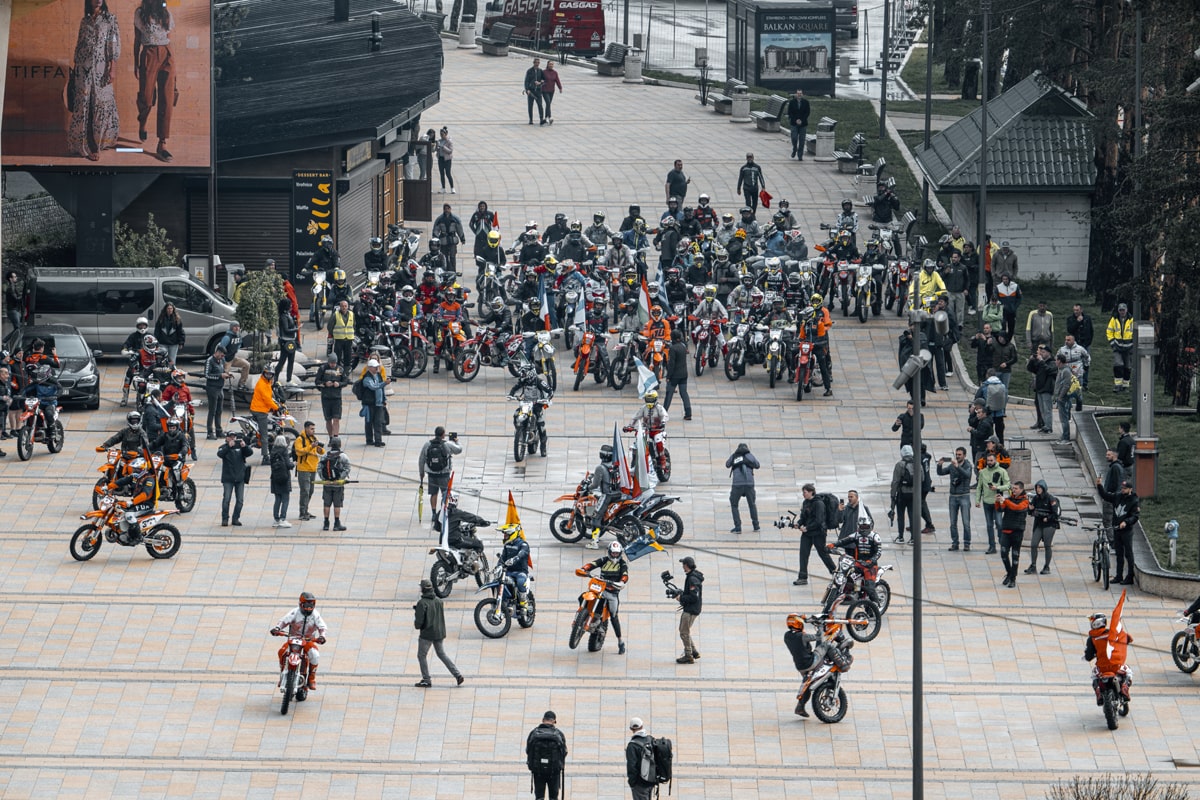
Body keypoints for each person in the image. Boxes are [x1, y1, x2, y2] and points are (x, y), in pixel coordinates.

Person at [68, 0, 121, 162]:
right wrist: (76, 67)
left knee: (100, 104)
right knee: (85, 104)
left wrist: (112, 68)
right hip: (83, 69)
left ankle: (98, 143)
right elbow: (79, 44)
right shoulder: (85, 20)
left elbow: (113, 44)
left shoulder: (110, 19)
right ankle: (88, 146)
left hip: (101, 68)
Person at [132, 0, 174, 161]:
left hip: (167, 54)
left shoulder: (165, 13)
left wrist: (170, 58)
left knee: (167, 99)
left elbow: (168, 37)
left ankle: (162, 143)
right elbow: (137, 40)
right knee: (146, 98)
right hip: (148, 53)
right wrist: (136, 63)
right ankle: (142, 121)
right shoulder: (140, 13)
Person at [578, 542, 630, 654]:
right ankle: (581, 617)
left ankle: (620, 641)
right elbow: (593, 564)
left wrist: (622, 582)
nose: (615, 555)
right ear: (609, 552)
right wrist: (585, 569)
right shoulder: (604, 560)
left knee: (614, 616)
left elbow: (625, 575)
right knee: (582, 597)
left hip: (612, 592)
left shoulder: (622, 564)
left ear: (620, 553)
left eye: (617, 553)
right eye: (613, 553)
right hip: (600, 588)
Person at [271, 592, 328, 691]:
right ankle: (282, 673)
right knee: (282, 652)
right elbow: (284, 621)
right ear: (301, 604)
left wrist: (322, 636)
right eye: (306, 605)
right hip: (293, 639)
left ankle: (311, 678)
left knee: (315, 655)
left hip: (308, 640)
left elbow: (322, 627)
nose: (308, 608)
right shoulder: (295, 612)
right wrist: (277, 628)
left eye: (311, 605)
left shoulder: (315, 615)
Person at [413, 577, 465, 687]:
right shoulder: (439, 601)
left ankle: (426, 679)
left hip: (427, 634)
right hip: (439, 633)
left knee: (421, 655)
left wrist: (417, 612)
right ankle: (457, 675)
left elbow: (418, 624)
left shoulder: (422, 603)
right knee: (442, 654)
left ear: (423, 589)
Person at [792, 483, 837, 585]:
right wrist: (798, 524)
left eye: (805, 492)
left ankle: (835, 572)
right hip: (807, 534)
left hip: (818, 533)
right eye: (803, 492)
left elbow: (819, 520)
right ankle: (802, 577)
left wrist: (807, 528)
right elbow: (803, 517)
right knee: (803, 554)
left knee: (823, 553)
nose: (803, 494)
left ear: (811, 492)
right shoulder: (805, 502)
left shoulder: (819, 504)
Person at [1085, 612, 1133, 706]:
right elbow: (1128, 638)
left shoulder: (1092, 638)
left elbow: (1088, 656)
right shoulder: (1114, 633)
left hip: (1102, 668)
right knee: (1129, 672)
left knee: (1094, 676)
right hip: (1117, 666)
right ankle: (1124, 686)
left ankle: (1098, 692)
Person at [1097, 480, 1139, 585]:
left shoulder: (1134, 501)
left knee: (1128, 554)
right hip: (1117, 529)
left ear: (1130, 489)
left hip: (1126, 531)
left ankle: (1130, 577)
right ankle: (1119, 576)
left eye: (1125, 488)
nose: (1123, 490)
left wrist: (1126, 522)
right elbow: (1105, 496)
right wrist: (1099, 485)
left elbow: (1135, 516)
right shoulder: (1118, 496)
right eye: (1122, 488)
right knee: (1119, 554)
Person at [419, 427, 463, 528]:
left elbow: (421, 459)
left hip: (431, 473)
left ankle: (434, 513)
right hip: (444, 473)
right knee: (445, 494)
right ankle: (443, 512)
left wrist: (421, 472)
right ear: (443, 435)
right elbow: (459, 450)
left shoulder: (427, 444)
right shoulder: (447, 444)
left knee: (433, 493)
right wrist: (456, 441)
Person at [507, 364, 553, 457]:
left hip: (537, 405)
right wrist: (511, 395)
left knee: (540, 424)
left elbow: (550, 391)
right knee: (516, 414)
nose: (522, 375)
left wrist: (547, 399)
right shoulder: (523, 381)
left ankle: (543, 447)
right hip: (525, 404)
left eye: (524, 373)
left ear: (530, 373)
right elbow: (515, 387)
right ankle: (519, 431)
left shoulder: (539, 381)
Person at [669, 555, 704, 664]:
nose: (682, 566)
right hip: (692, 608)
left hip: (691, 610)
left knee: (683, 632)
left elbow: (694, 597)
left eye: (683, 564)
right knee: (685, 631)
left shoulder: (692, 579)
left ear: (687, 565)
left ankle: (688, 655)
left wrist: (681, 598)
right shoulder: (692, 576)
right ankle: (694, 651)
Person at [526, 711, 568, 800]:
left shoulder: (534, 733)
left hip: (538, 771)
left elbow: (528, 750)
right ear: (554, 721)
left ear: (543, 720)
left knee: (539, 797)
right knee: (553, 797)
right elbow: (564, 752)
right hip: (554, 771)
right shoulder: (559, 734)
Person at [974, 452, 1011, 555]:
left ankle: (1002, 541)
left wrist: (997, 488)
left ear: (995, 460)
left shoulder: (1002, 471)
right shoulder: (983, 472)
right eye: (988, 460)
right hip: (986, 501)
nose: (989, 462)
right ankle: (992, 546)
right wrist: (977, 500)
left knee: (999, 523)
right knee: (989, 525)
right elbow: (979, 487)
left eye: (991, 460)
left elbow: (1008, 485)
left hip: (997, 501)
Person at [937, 447, 973, 551]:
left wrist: (958, 467)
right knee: (953, 523)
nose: (957, 456)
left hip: (964, 495)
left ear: (964, 455)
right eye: (956, 454)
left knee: (966, 522)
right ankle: (955, 543)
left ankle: (967, 543)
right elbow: (941, 472)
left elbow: (967, 475)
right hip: (953, 496)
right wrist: (939, 465)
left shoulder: (968, 465)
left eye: (960, 455)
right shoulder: (952, 466)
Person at [995, 482, 1030, 587]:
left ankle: (1013, 578)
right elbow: (1000, 509)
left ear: (1021, 489)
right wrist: (997, 502)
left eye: (1016, 488)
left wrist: (1005, 501)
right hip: (1006, 530)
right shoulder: (1009, 499)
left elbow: (1017, 508)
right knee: (1003, 554)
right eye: (1013, 488)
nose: (1014, 490)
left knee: (1015, 556)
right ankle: (1009, 573)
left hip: (1017, 532)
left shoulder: (1025, 501)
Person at [217, 431, 254, 527]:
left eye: (234, 437)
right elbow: (220, 454)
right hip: (228, 478)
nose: (232, 439)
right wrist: (228, 446)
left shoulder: (240, 447)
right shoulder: (224, 447)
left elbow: (250, 453)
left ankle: (235, 518)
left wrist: (244, 446)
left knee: (240, 500)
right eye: (230, 437)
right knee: (226, 499)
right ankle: (225, 518)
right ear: (227, 438)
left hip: (239, 478)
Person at [1024, 479, 1061, 575]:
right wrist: (1030, 509)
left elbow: (1056, 513)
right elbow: (1031, 512)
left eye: (1040, 487)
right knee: (1033, 544)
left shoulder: (1050, 499)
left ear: (1044, 488)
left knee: (1047, 545)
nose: (1038, 489)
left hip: (1049, 524)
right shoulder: (1036, 498)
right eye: (1037, 487)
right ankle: (1033, 565)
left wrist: (1048, 518)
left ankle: (1046, 566)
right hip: (1039, 524)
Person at [725, 442, 760, 534]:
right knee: (752, 504)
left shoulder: (734, 456)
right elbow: (757, 465)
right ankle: (756, 526)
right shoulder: (750, 456)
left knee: (734, 504)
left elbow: (727, 464)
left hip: (737, 485)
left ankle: (738, 527)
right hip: (749, 484)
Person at [293, 420, 323, 522]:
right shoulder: (299, 439)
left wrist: (319, 449)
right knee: (305, 491)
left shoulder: (314, 438)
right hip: (303, 468)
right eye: (311, 429)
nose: (313, 431)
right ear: (306, 428)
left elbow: (321, 451)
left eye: (314, 429)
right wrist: (311, 447)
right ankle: (302, 512)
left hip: (313, 468)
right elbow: (299, 452)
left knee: (310, 491)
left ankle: (306, 510)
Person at [318, 436, 351, 531]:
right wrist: (340, 478)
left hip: (327, 484)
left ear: (331, 445)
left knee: (326, 504)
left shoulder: (325, 455)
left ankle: (326, 523)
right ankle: (336, 523)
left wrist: (323, 478)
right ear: (340, 445)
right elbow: (347, 468)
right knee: (337, 504)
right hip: (338, 484)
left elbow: (319, 467)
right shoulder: (343, 456)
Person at [250, 365, 280, 464]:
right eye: (267, 374)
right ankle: (265, 457)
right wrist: (277, 407)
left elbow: (270, 396)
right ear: (263, 373)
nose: (269, 376)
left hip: (260, 408)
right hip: (260, 410)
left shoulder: (267, 382)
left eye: (270, 374)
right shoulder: (262, 384)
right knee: (264, 435)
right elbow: (267, 399)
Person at [314, 352, 346, 438]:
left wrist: (339, 384)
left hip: (336, 398)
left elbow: (345, 381)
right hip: (326, 397)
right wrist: (325, 384)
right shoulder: (322, 368)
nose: (333, 365)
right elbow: (317, 382)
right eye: (331, 363)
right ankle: (330, 437)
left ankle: (336, 437)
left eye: (334, 363)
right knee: (328, 419)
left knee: (336, 418)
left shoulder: (340, 369)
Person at [661, 329, 692, 420]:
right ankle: (688, 413)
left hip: (674, 376)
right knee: (684, 393)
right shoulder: (683, 346)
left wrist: (668, 376)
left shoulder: (673, 348)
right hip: (684, 374)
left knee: (669, 394)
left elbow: (671, 364)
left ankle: (663, 413)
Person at [1027, 344, 1056, 433]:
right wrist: (1032, 360)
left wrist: (1042, 361)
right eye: (1041, 352)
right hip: (1039, 388)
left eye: (1043, 352)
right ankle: (1045, 425)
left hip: (1047, 388)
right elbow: (1031, 369)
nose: (1041, 354)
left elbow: (1049, 370)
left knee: (1047, 409)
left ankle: (1049, 427)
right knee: (1042, 409)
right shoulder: (1041, 362)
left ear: (1048, 353)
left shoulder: (1052, 362)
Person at [1107, 302, 1135, 392]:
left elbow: (1135, 333)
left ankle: (1125, 385)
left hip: (1129, 347)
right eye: (1120, 310)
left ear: (1126, 310)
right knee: (1118, 365)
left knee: (1127, 367)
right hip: (1117, 347)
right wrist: (1112, 343)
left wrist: (1133, 344)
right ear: (1118, 311)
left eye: (1123, 310)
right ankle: (1117, 385)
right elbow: (1109, 331)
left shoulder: (1132, 320)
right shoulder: (1114, 319)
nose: (1122, 312)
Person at [1096, 447, 1125, 532]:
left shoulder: (1115, 467)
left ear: (1114, 456)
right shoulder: (1117, 466)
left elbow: (1115, 484)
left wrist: (1108, 495)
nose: (1106, 456)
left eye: (1109, 455)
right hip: (1113, 498)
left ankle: (1111, 539)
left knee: (1107, 522)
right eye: (1106, 454)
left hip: (1110, 499)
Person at [360, 358, 387, 447]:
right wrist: (384, 383)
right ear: (370, 368)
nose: (377, 368)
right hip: (369, 404)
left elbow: (381, 389)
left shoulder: (378, 375)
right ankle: (369, 439)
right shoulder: (367, 378)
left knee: (378, 422)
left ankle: (378, 440)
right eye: (375, 367)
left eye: (377, 367)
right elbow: (374, 387)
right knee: (369, 422)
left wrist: (384, 399)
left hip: (379, 403)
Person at [1066, 304, 1095, 389]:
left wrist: (1089, 341)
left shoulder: (1087, 318)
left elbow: (1091, 330)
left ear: (1081, 310)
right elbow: (1070, 330)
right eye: (1074, 310)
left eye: (1077, 310)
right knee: (1074, 364)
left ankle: (1085, 383)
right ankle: (1075, 382)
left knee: (1086, 363)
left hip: (1085, 344)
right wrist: (1077, 322)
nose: (1075, 312)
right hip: (1075, 345)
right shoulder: (1070, 319)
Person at [625, 718, 654, 800]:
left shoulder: (632, 746)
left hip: (639, 783)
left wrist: (632, 783)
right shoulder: (650, 739)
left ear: (631, 728)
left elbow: (632, 766)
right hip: (651, 779)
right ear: (642, 726)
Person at [216, 322, 251, 389]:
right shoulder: (227, 337)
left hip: (233, 358)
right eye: (235, 326)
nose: (237, 328)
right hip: (226, 360)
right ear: (231, 327)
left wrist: (236, 349)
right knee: (225, 374)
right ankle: (218, 389)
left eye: (238, 326)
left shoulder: (238, 336)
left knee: (247, 365)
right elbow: (220, 348)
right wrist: (222, 360)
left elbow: (239, 343)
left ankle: (242, 384)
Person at [268, 439, 294, 529]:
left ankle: (276, 519)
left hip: (275, 478)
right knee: (285, 499)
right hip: (284, 478)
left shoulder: (272, 451)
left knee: (277, 499)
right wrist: (293, 464)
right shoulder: (284, 451)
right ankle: (283, 518)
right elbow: (288, 465)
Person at [1052, 353, 1078, 442]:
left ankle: (1066, 436)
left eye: (1056, 360)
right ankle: (1064, 435)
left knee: (1064, 418)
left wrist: (1060, 396)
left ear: (1059, 361)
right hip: (1060, 396)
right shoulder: (1061, 369)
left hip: (1063, 397)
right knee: (1062, 418)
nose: (1055, 361)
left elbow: (1066, 385)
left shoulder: (1065, 371)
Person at [274, 297, 299, 382]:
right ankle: (275, 377)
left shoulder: (288, 315)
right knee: (282, 360)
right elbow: (286, 329)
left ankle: (289, 379)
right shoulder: (284, 317)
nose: (291, 306)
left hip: (291, 340)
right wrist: (297, 329)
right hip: (286, 341)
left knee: (291, 361)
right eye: (290, 305)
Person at [328, 300, 356, 369]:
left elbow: (354, 325)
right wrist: (334, 334)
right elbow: (330, 326)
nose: (344, 308)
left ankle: (346, 369)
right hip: (339, 339)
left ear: (348, 307)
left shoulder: (352, 314)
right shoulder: (335, 314)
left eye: (345, 306)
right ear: (340, 307)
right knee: (338, 356)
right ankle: (337, 369)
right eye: (342, 306)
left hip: (349, 339)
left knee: (348, 356)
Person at [995, 273, 1022, 340]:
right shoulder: (998, 287)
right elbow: (996, 298)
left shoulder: (1015, 286)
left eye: (1006, 279)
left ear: (1009, 279)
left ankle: (1009, 338)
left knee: (1011, 326)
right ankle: (1002, 339)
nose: (1005, 281)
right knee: (1002, 325)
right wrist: (1000, 306)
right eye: (1003, 279)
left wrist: (1015, 307)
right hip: (1002, 310)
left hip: (1012, 310)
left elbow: (1019, 298)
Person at [786, 89, 810, 160]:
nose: (799, 95)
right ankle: (795, 148)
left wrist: (801, 120)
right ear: (796, 94)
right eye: (798, 93)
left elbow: (807, 112)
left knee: (802, 140)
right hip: (794, 123)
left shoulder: (806, 102)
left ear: (802, 94)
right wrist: (795, 120)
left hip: (803, 123)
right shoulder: (792, 102)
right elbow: (790, 112)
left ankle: (800, 155)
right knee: (794, 138)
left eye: (800, 93)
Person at [524, 57, 545, 125]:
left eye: (538, 63)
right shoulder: (529, 71)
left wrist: (540, 83)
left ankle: (541, 119)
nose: (537, 64)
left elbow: (544, 80)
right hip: (531, 91)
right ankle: (531, 119)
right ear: (533, 63)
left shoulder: (540, 71)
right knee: (530, 106)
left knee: (540, 105)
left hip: (538, 91)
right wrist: (527, 89)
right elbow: (526, 81)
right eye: (536, 62)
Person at [435, 126, 455, 193]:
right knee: (441, 173)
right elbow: (436, 150)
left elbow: (450, 151)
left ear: (446, 134)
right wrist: (437, 147)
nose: (441, 135)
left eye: (442, 134)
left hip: (447, 159)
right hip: (440, 158)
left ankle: (452, 187)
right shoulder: (439, 141)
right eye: (440, 134)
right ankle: (443, 188)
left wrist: (443, 147)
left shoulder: (449, 141)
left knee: (448, 173)